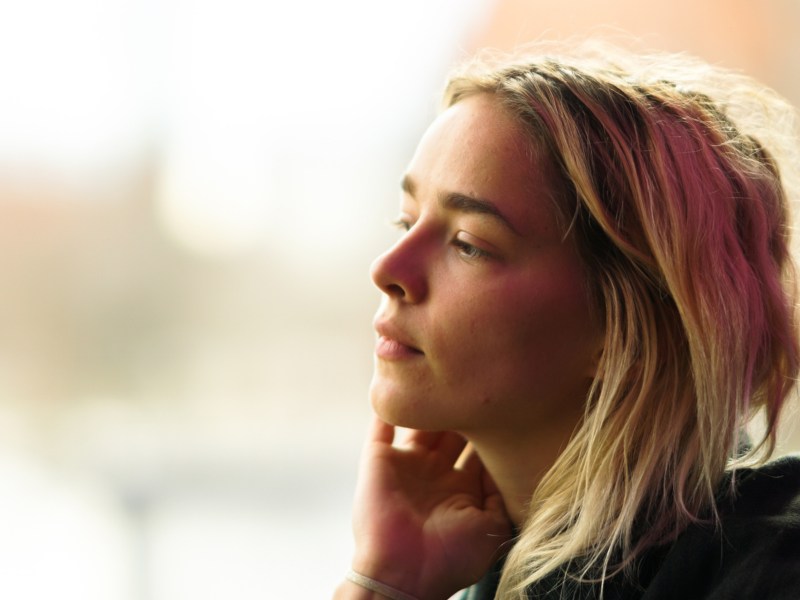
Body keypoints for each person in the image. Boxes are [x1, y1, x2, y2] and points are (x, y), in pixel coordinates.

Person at [333, 41, 800, 600]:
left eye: (469, 244)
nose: (388, 268)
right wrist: (386, 582)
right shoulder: (482, 564)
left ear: (625, 325)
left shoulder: (771, 572)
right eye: (405, 221)